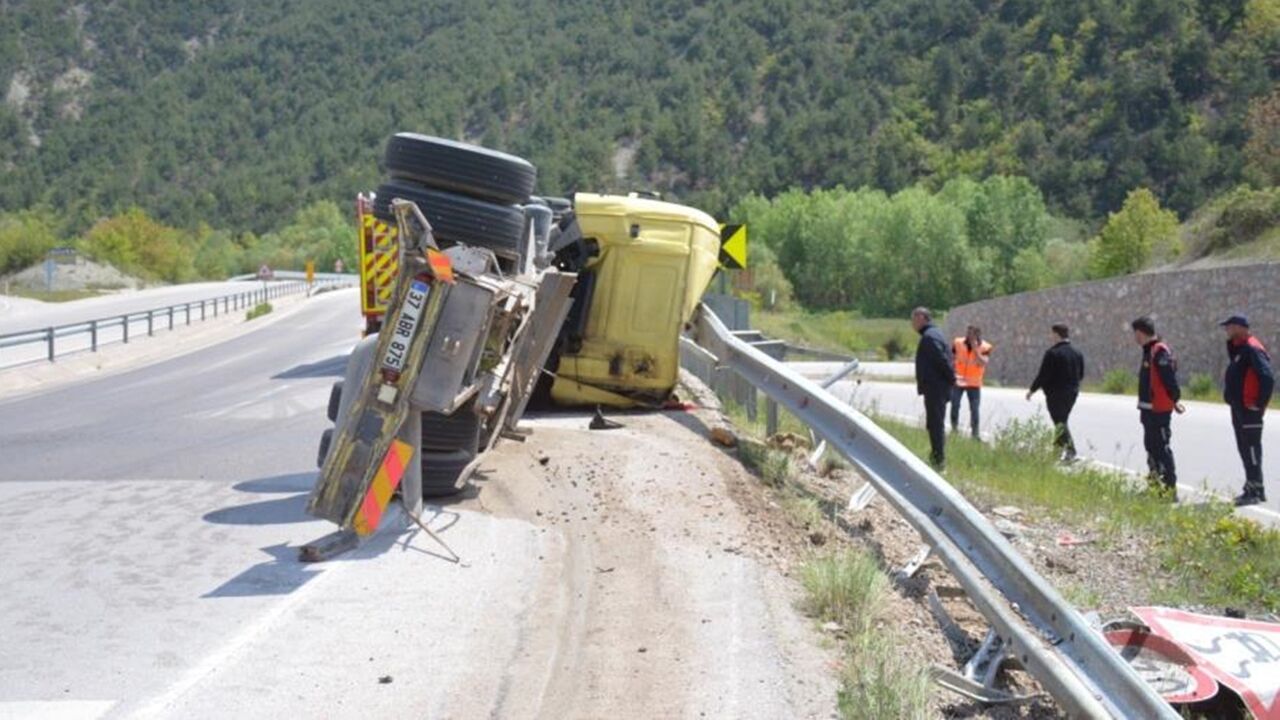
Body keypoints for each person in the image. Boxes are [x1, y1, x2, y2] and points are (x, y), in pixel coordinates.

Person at [1220, 315, 1274, 507]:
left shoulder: (1252, 348)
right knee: (1245, 449)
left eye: (1229, 327)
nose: (1226, 330)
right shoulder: (1241, 348)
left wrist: (1259, 404)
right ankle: (1253, 487)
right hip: (1240, 408)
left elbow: (1267, 377)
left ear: (1240, 327)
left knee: (1251, 449)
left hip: (1249, 410)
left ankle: (1255, 490)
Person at [1131, 317, 1185, 498]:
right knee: (1151, 448)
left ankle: (1169, 490)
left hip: (1158, 410)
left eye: (1135, 334)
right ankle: (1155, 487)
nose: (1135, 338)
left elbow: (1169, 379)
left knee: (1162, 448)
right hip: (1148, 410)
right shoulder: (1149, 351)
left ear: (1140, 333)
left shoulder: (1159, 350)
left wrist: (1175, 399)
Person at [1026, 324, 1085, 462]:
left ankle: (1071, 451)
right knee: (1061, 420)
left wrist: (1032, 390)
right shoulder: (1077, 353)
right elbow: (1081, 374)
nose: (1050, 336)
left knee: (1059, 422)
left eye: (1052, 334)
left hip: (1056, 394)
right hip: (1072, 393)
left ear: (1056, 334)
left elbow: (1043, 375)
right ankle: (1056, 451)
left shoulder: (1052, 353)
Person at [912, 307, 955, 470]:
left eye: (914, 319)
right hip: (937, 387)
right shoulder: (935, 334)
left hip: (936, 388)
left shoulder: (929, 337)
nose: (913, 324)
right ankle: (936, 456)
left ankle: (938, 460)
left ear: (923, 318)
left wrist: (952, 378)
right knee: (934, 423)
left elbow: (941, 360)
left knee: (936, 424)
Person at [951, 325, 993, 438]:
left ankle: (975, 434)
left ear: (978, 335)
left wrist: (975, 350)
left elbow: (983, 362)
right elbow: (951, 358)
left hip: (974, 383)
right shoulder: (958, 343)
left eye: (972, 334)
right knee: (955, 405)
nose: (968, 336)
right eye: (968, 333)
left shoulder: (985, 347)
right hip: (958, 381)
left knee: (974, 409)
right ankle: (954, 430)